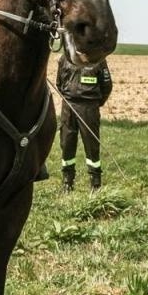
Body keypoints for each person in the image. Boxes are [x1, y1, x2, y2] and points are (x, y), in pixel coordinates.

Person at [56, 53, 113, 191]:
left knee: (92, 145)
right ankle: (67, 180)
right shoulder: (65, 58)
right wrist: (69, 98)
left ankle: (95, 182)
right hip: (68, 106)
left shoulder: (98, 59)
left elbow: (107, 85)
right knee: (67, 142)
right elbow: (59, 83)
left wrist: (95, 103)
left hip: (89, 107)